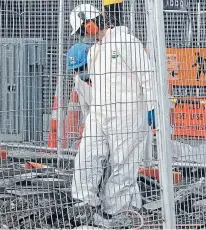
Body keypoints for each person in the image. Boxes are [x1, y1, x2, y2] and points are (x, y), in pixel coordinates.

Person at [69, 3, 155, 216]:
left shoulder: (126, 41)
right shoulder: (95, 50)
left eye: (83, 30)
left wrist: (153, 108)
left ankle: (120, 211)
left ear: (91, 23)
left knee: (123, 164)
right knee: (87, 156)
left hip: (128, 115)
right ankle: (84, 203)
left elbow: (148, 76)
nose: (84, 35)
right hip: (99, 114)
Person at [66, 43, 93, 124]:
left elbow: (85, 108)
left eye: (81, 68)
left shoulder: (78, 80)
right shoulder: (79, 80)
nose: (78, 72)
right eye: (77, 69)